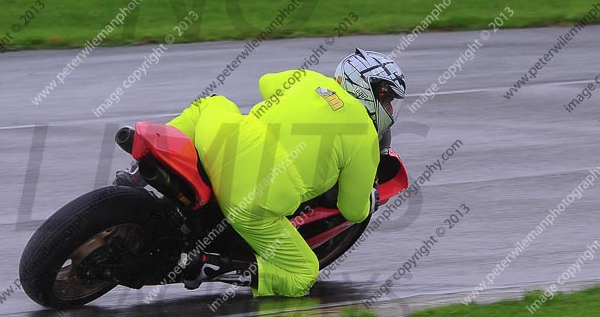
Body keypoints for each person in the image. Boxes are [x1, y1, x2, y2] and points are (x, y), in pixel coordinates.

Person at [120, 47, 406, 297]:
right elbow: (354, 210)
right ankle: (214, 264)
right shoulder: (366, 137)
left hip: (220, 142)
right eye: (388, 99)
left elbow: (265, 82)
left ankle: (138, 170)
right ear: (369, 91)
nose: (390, 109)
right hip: (252, 197)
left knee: (213, 104)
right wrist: (370, 194)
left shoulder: (311, 80)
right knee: (303, 274)